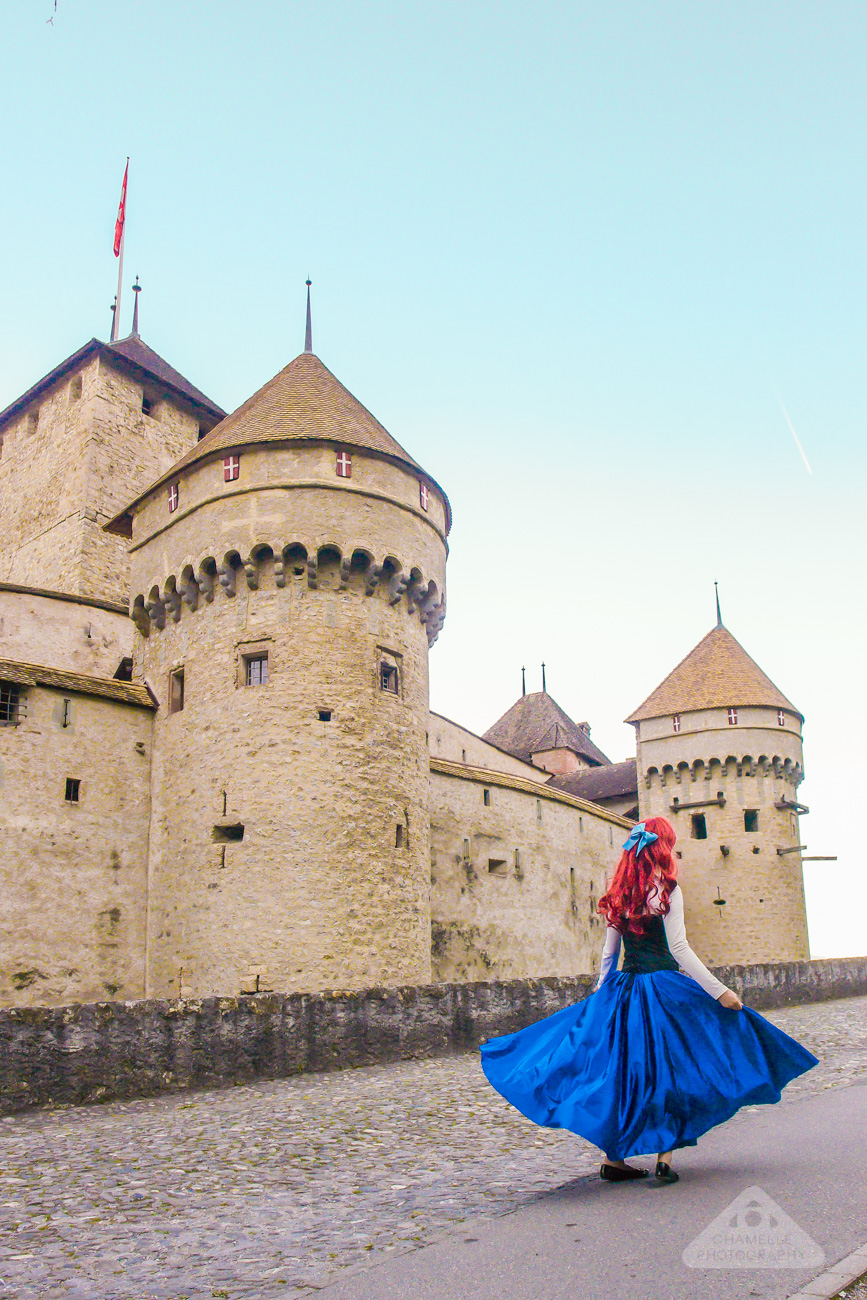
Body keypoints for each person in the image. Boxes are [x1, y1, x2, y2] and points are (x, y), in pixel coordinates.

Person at [479, 816, 818, 1185]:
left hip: (623, 990)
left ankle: (615, 1159)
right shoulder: (668, 890)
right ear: (664, 848)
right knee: (671, 1069)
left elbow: (609, 955)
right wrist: (720, 991)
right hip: (663, 991)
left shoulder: (618, 895)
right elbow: (680, 949)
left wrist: (599, 998)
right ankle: (665, 1158)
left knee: (618, 1073)